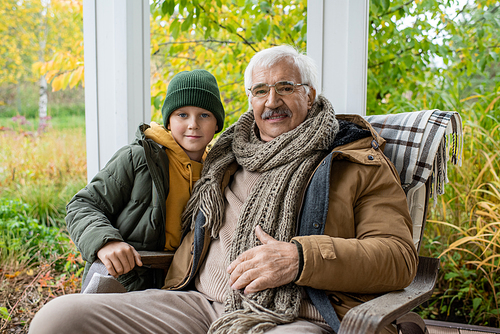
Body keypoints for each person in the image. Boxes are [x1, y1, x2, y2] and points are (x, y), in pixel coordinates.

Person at [29, 46, 418, 334]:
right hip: (197, 303)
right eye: (260, 90)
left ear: (310, 95)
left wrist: (301, 258)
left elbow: (399, 259)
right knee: (57, 320)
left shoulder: (355, 161)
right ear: (249, 99)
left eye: (286, 87)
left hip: (294, 315)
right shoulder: (226, 155)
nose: (272, 100)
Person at [65, 69, 225, 291]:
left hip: (186, 287)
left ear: (217, 124)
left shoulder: (220, 171)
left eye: (204, 115)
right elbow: (82, 205)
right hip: (128, 282)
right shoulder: (139, 157)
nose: (193, 124)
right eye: (182, 115)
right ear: (168, 121)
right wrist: (107, 242)